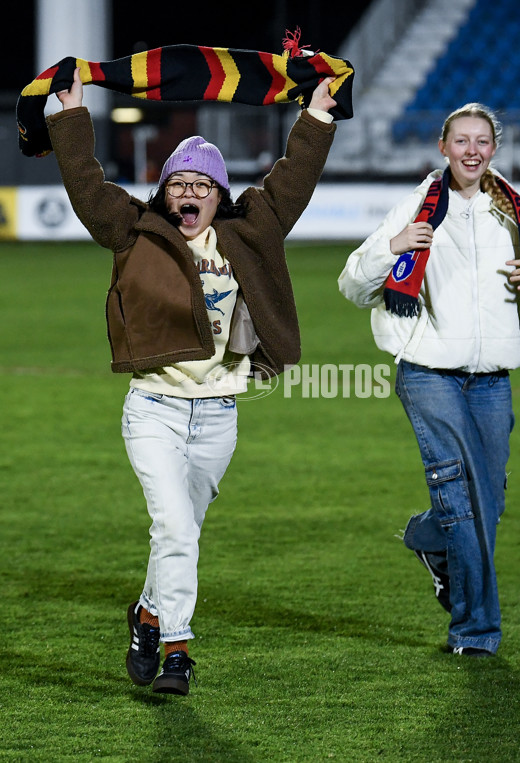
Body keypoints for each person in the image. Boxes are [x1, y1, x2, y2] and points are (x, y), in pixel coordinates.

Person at [49, 67, 339, 694]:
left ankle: (149, 613)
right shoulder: (136, 231)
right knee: (175, 529)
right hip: (153, 409)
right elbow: (88, 185)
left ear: (219, 195)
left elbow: (292, 179)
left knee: (182, 533)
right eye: (177, 183)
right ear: (163, 191)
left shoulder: (248, 232)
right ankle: (178, 650)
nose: (188, 193)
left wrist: (316, 114)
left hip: (219, 414)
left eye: (202, 185)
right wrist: (71, 118)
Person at [338, 103, 520, 657]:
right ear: (443, 148)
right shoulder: (418, 207)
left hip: (494, 380)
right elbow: (353, 285)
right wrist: (392, 247)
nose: (472, 151)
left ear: (494, 148)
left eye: (482, 141)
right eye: (461, 141)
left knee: (486, 503)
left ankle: (429, 537)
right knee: (463, 496)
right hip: (428, 372)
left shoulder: (516, 212)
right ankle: (475, 631)